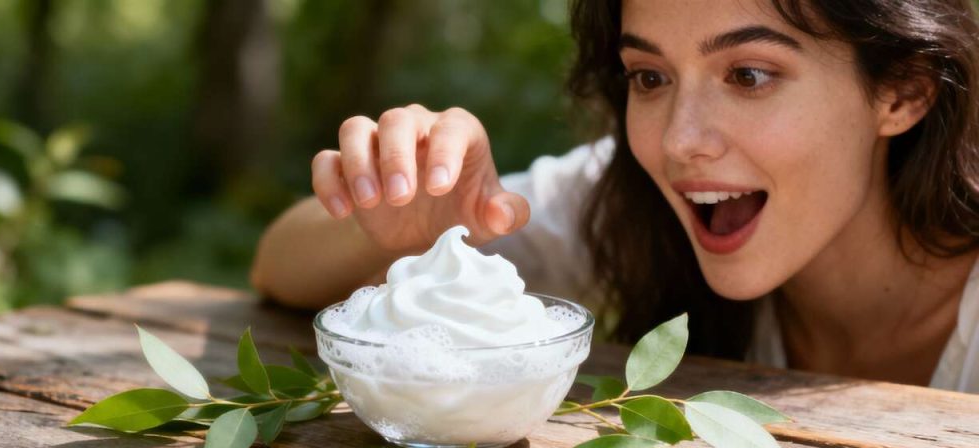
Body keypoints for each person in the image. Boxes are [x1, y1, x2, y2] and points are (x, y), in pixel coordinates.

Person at [250, 0, 979, 393]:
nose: (679, 142)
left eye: (748, 76)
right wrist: (404, 221)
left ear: (903, 92)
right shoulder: (623, 198)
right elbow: (279, 264)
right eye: (650, 78)